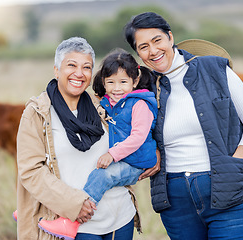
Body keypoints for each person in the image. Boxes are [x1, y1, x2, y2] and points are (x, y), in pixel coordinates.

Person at [124, 12, 243, 240]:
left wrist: (238, 160)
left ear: (170, 37)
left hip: (228, 187)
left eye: (157, 40)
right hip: (176, 200)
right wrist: (155, 151)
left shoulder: (215, 69)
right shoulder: (144, 90)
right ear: (138, 53)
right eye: (143, 46)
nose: (153, 51)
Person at [16, 37, 140, 240]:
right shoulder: (37, 113)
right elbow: (31, 171)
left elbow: (133, 134)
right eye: (71, 65)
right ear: (57, 70)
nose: (79, 74)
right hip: (74, 221)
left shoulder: (103, 105)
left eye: (87, 67)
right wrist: (73, 204)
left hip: (120, 216)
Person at [38, 48, 158, 239]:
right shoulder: (109, 103)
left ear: (134, 82)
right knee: (101, 176)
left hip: (135, 163)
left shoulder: (140, 104)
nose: (116, 88)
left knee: (102, 176)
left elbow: (138, 137)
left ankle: (72, 219)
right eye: (110, 82)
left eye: (123, 82)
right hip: (127, 159)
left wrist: (113, 154)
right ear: (103, 82)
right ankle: (37, 213)